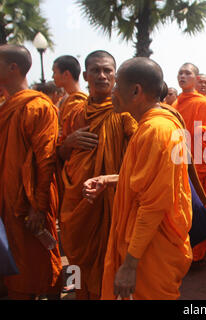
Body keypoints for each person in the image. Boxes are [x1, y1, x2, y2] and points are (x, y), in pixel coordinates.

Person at [81, 57, 193, 300]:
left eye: (117, 85)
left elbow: (153, 205)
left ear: (135, 91)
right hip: (146, 245)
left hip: (150, 251)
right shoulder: (149, 126)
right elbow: (148, 180)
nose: (112, 91)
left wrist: (130, 264)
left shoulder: (156, 131)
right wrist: (108, 180)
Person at [58, 50, 137, 300]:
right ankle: (78, 292)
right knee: (75, 251)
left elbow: (141, 154)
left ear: (116, 76)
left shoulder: (125, 113)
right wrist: (68, 142)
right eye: (96, 70)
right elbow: (58, 154)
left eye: (107, 70)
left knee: (108, 255)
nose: (102, 75)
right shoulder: (73, 112)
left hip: (110, 198)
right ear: (86, 75)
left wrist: (110, 180)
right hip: (77, 198)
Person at [0, 44, 62, 300]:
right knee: (13, 263)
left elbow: (45, 159)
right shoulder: (6, 107)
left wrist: (38, 206)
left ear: (13, 68)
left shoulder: (37, 106)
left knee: (37, 264)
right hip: (6, 198)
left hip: (29, 203)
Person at [173, 63, 206, 264]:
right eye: (180, 72)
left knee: (201, 209)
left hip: (202, 169)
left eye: (188, 73)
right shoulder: (173, 105)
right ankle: (186, 253)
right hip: (178, 167)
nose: (183, 76)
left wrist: (199, 171)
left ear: (195, 77)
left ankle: (199, 255)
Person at [52, 55, 88, 128]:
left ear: (66, 74)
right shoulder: (64, 100)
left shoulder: (79, 101)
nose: (52, 76)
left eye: (54, 72)